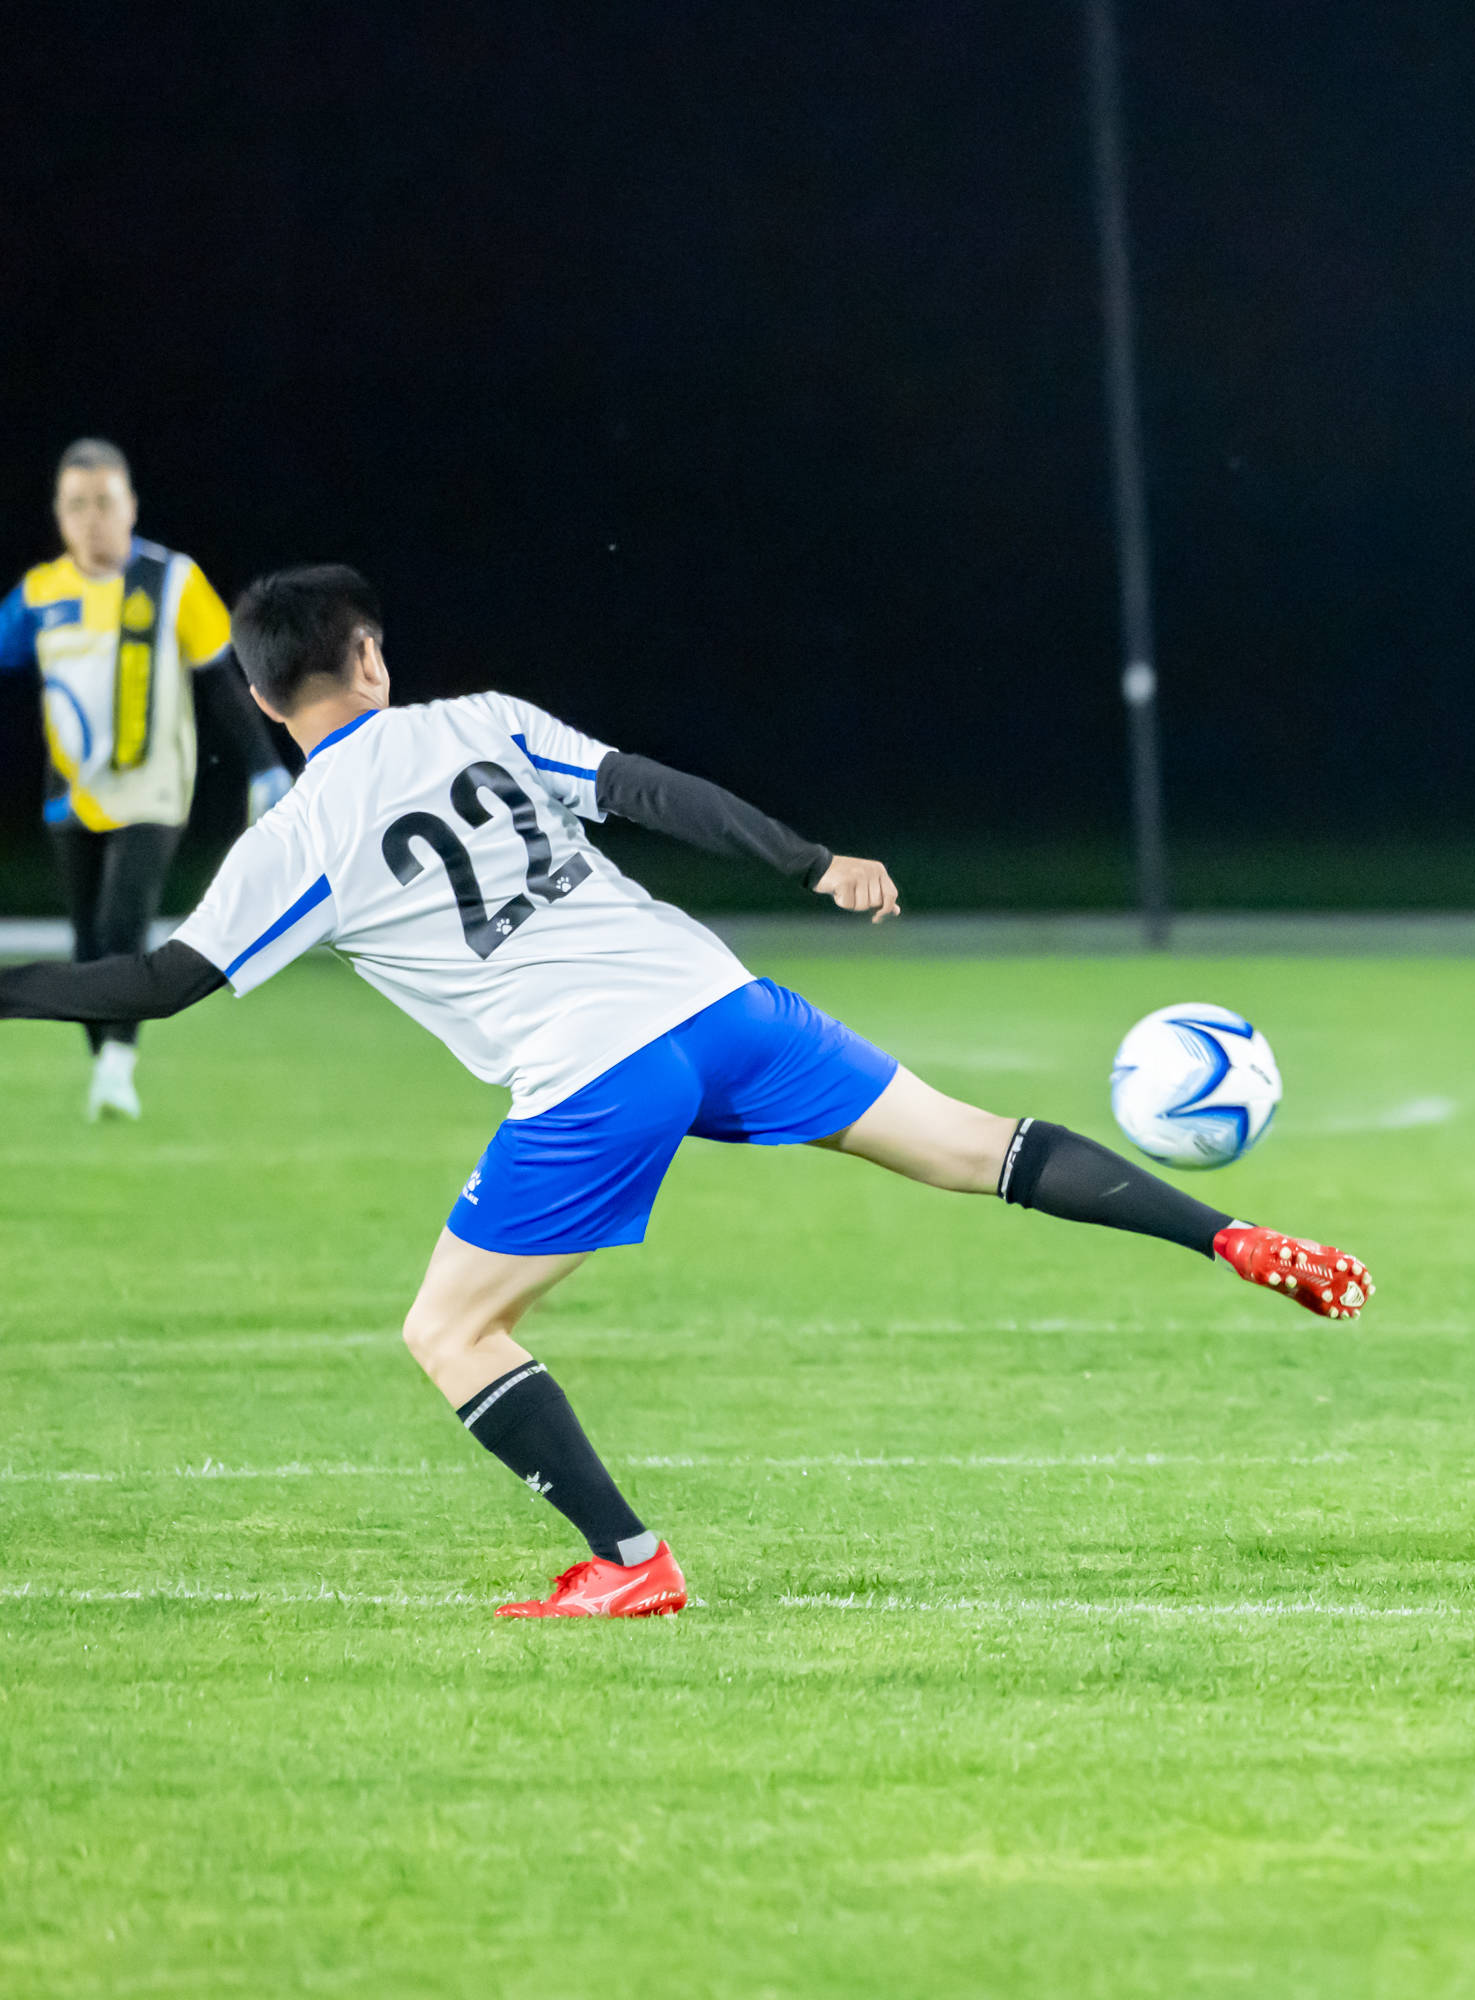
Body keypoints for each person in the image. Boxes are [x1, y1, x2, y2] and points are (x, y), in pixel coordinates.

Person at [0, 565, 1372, 1620]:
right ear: (371, 656)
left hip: (596, 1072)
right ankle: (1237, 1237)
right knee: (973, 1146)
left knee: (450, 1331)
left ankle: (631, 1563)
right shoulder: (482, 719)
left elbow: (157, 985)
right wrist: (807, 859)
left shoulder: (295, 836)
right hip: (718, 1004)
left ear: (253, 696)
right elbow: (650, 793)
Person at [0, 439, 292, 1119]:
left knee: (122, 925)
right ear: (59, 514)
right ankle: (104, 1057)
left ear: (130, 506)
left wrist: (262, 766)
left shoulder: (171, 580)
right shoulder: (43, 592)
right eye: (77, 505)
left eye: (104, 502)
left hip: (154, 785)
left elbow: (218, 677)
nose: (92, 518)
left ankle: (118, 1068)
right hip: (71, 789)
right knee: (87, 943)